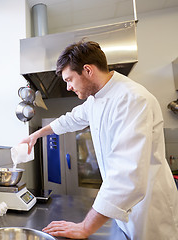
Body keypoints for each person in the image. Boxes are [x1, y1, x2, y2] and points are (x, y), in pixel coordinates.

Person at [20, 40, 178, 239]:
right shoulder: (96, 99)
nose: (68, 87)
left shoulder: (133, 99)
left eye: (69, 79)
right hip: (125, 212)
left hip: (148, 212)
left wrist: (85, 227)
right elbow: (70, 120)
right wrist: (35, 135)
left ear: (87, 70)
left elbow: (126, 175)